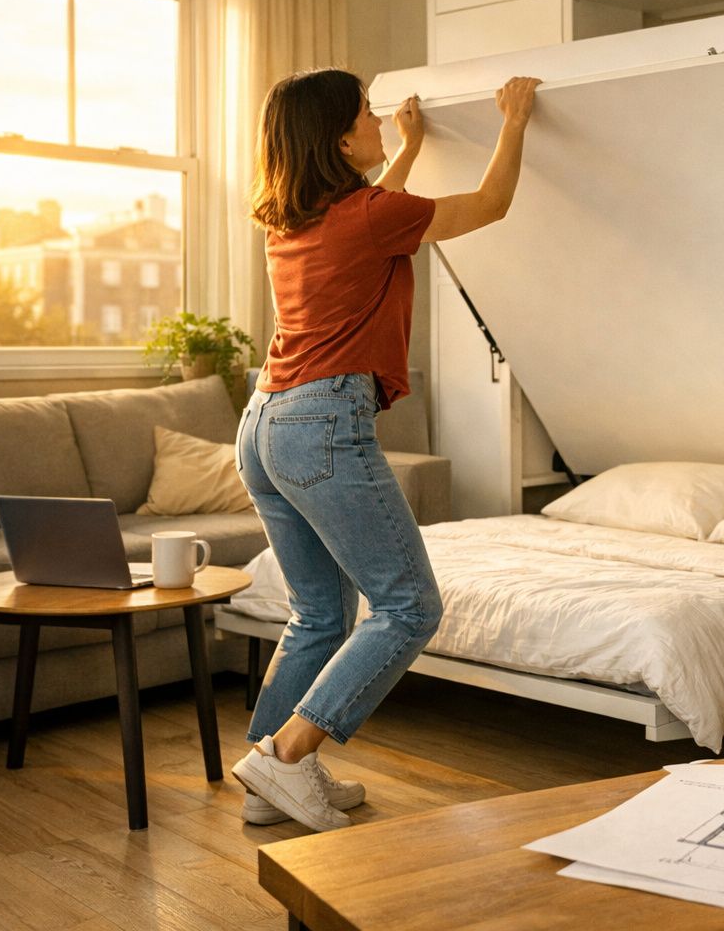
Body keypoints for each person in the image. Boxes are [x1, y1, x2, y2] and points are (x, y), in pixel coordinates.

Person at [230, 68, 540, 832]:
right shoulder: (370, 216)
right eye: (366, 115)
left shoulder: (293, 218)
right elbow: (492, 203)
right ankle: (286, 756)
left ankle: (269, 775)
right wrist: (514, 119)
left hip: (264, 423)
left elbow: (378, 209)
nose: (375, 121)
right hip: (321, 425)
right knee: (408, 608)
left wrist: (406, 147)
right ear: (340, 139)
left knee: (317, 616)